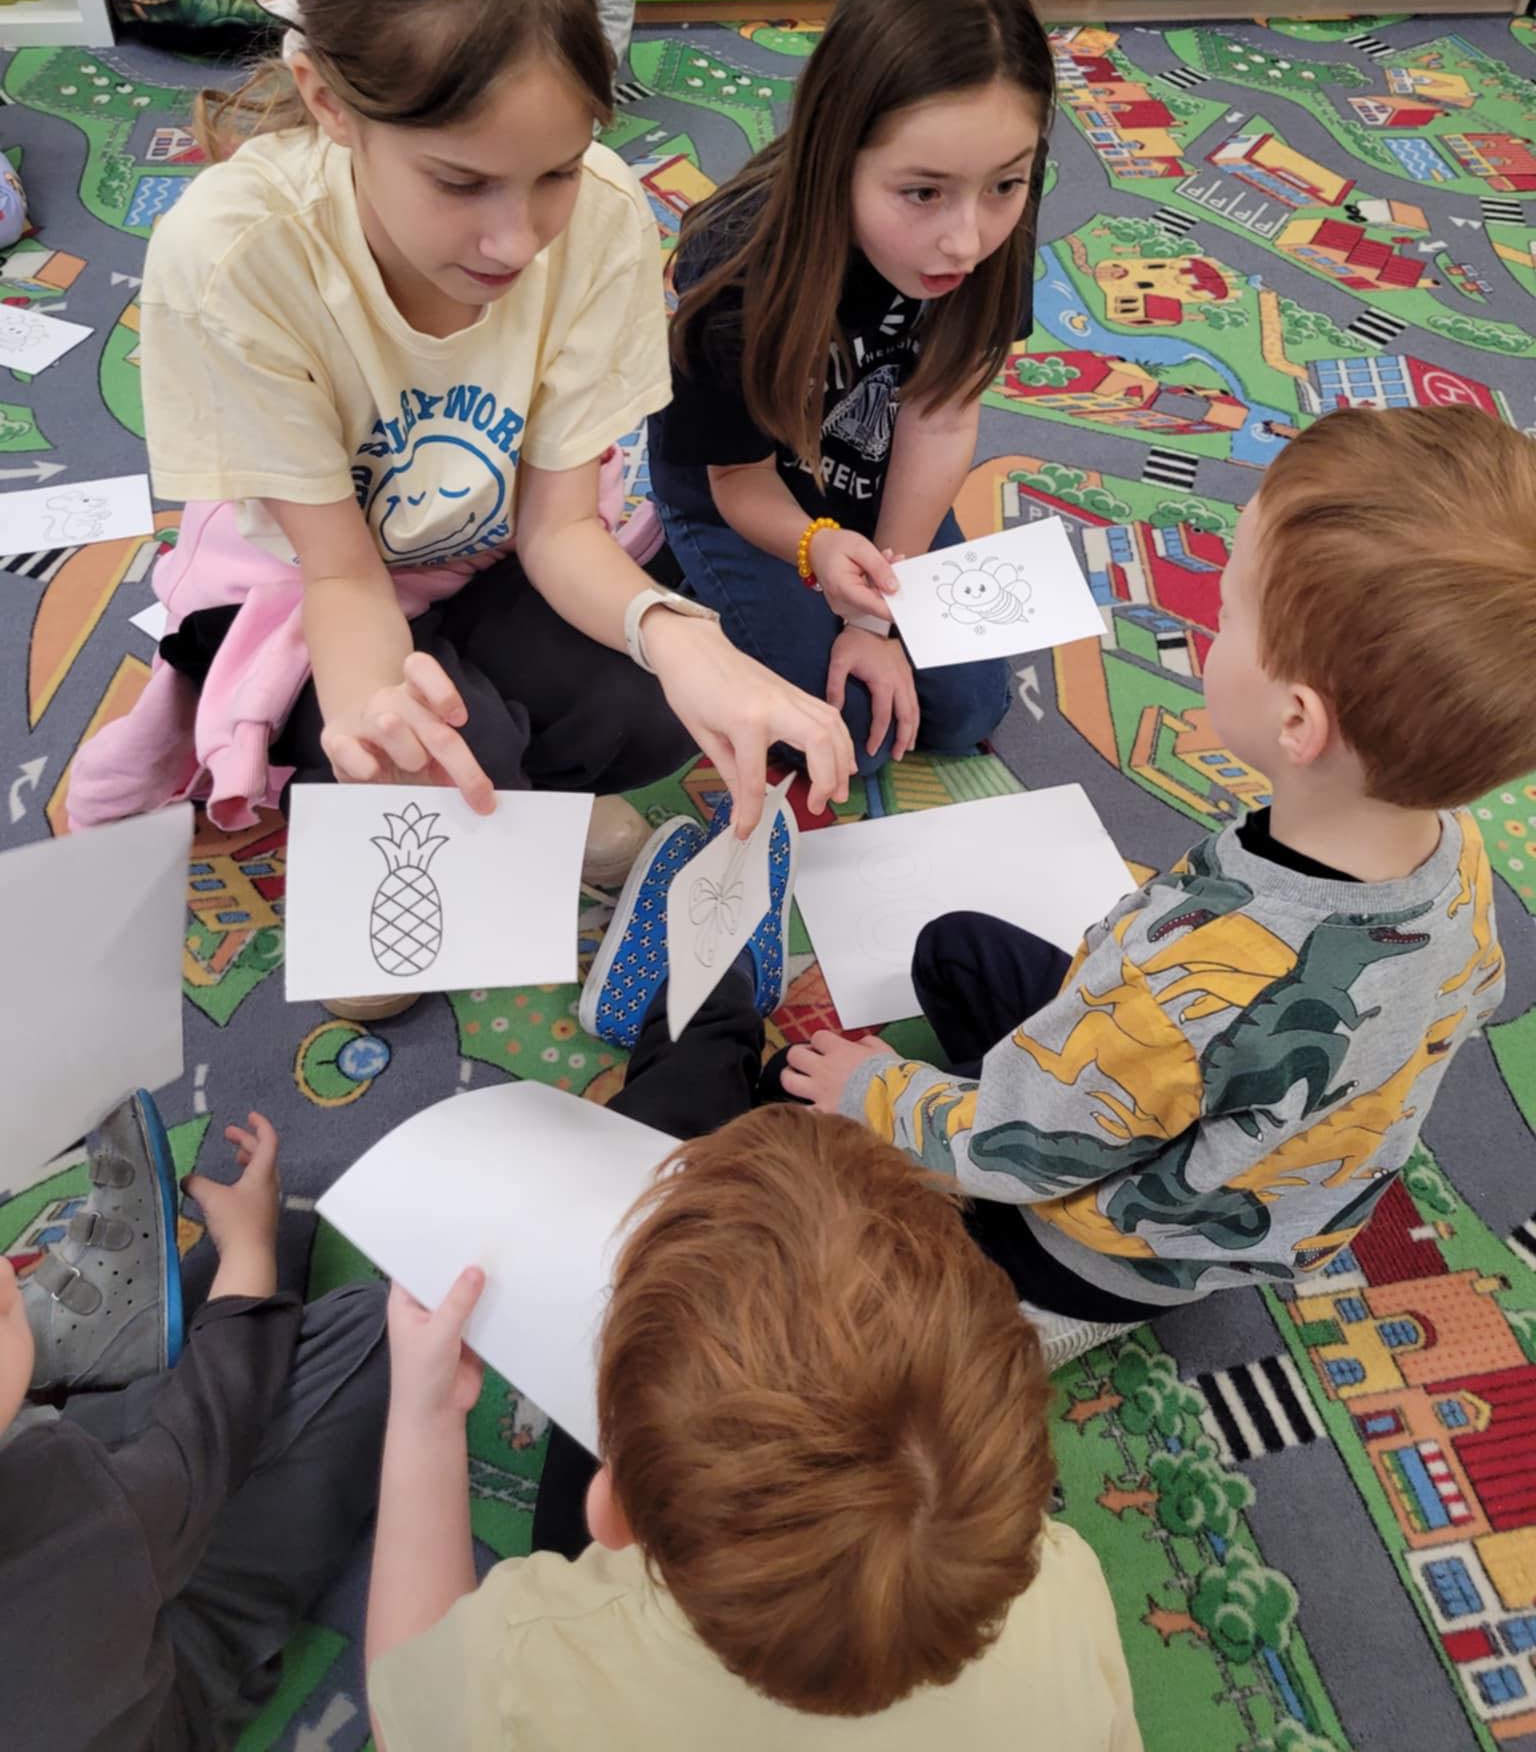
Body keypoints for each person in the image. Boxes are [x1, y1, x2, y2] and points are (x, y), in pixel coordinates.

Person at [64, 0, 854, 1014]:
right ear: (330, 101)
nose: (514, 239)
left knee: (663, 693)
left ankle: (504, 789)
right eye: (459, 180)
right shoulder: (233, 257)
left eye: (553, 170)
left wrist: (678, 634)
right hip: (314, 584)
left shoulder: (599, 218)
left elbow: (560, 526)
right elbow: (339, 576)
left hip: (484, 550)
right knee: (413, 870)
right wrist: (378, 712)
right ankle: (389, 782)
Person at [776, 406, 1536, 1363]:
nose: (1207, 623)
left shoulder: (1194, 987)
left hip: (1104, 1242)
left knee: (801, 1141)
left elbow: (1032, 1146)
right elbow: (1469, 999)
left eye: (1231, 611)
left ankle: (1058, 1309)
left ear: (1297, 722)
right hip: (1243, 1166)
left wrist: (874, 1092)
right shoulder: (1453, 854)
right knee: (957, 953)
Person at [364, 1103, 1142, 1750]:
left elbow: (404, 1703)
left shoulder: (526, 1660)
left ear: (613, 1515)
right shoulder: (1064, 1595)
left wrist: (425, 1416)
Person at [649, 0, 1053, 777]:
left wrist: (874, 617)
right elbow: (736, 478)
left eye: (1005, 186)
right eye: (922, 191)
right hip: (743, 491)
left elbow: (940, 414)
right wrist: (818, 550)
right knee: (851, 735)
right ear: (838, 154)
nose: (966, 239)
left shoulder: (988, 218)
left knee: (966, 709)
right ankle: (674, 569)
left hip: (872, 475)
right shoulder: (737, 268)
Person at [1, 1091, 389, 1750]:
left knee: (229, 1295)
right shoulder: (63, 1517)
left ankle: (84, 1361)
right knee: (376, 1329)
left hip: (86, 1571)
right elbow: (208, 1429)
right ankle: (74, 1365)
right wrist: (248, 1248)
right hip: (157, 1674)